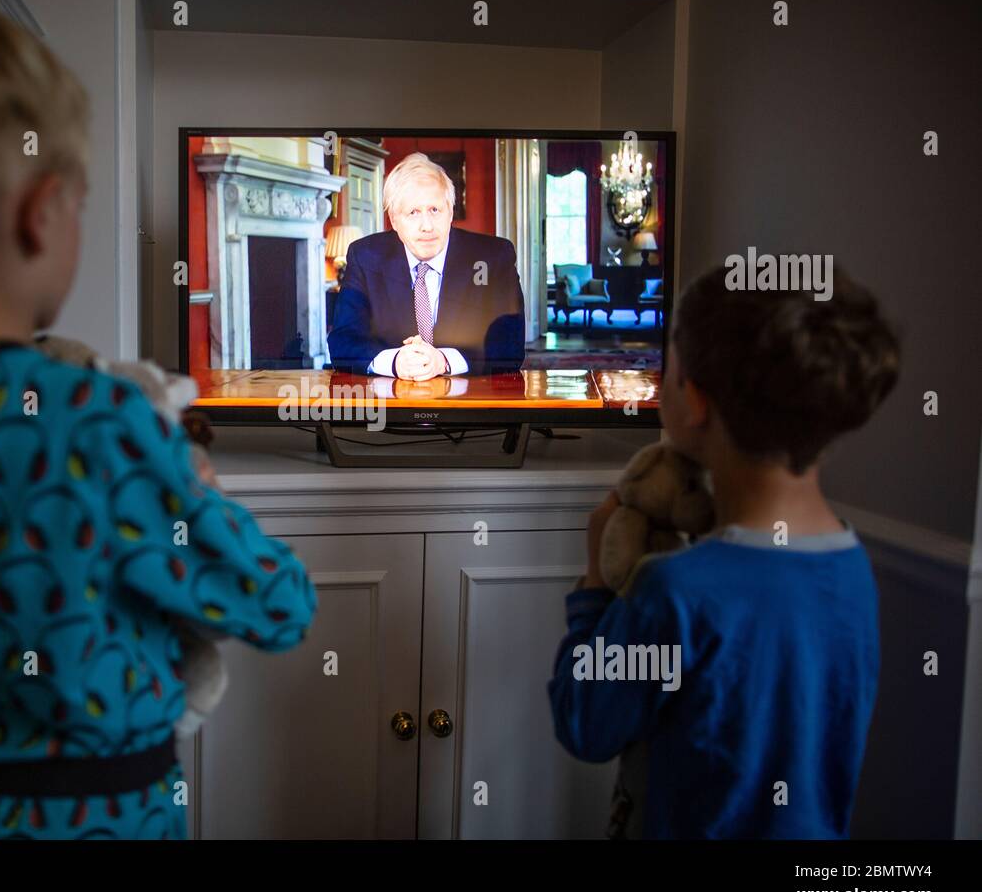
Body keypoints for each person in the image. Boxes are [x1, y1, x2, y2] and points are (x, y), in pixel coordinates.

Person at [0, 0, 316, 839]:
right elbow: (278, 604)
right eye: (81, 204)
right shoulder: (96, 418)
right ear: (39, 209)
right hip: (99, 818)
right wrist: (194, 485)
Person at [548, 264, 900, 838]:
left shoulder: (673, 590)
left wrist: (594, 584)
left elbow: (585, 722)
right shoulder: (852, 568)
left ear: (694, 399)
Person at [327, 153, 526, 379]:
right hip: (392, 406)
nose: (427, 226)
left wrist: (443, 361)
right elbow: (343, 342)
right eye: (413, 213)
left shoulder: (493, 257)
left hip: (469, 404)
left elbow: (510, 348)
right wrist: (394, 362)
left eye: (435, 210)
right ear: (394, 220)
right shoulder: (365, 256)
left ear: (450, 211)